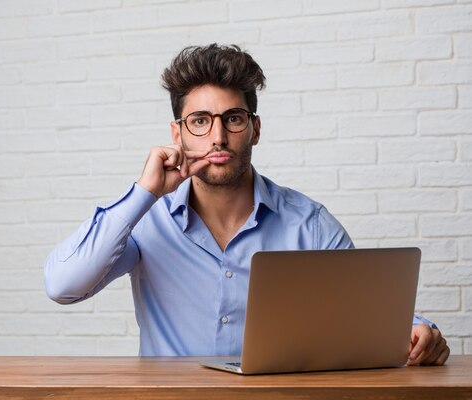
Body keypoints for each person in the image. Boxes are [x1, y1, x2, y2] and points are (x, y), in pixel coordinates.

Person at [44, 44, 449, 366]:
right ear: (178, 133)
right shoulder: (145, 222)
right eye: (200, 121)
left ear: (254, 129)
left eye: (232, 118)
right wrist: (143, 193)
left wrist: (418, 330)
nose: (217, 136)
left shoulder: (308, 224)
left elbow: (366, 311)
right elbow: (63, 286)